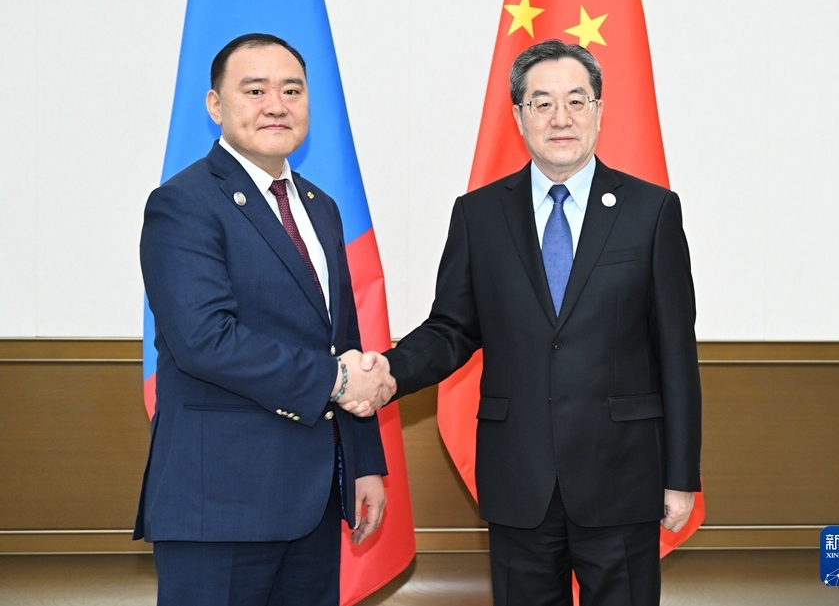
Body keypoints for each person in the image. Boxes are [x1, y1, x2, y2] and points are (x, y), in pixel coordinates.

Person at [382, 39, 702, 606]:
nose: (561, 118)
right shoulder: (478, 214)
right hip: (519, 479)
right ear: (519, 115)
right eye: (543, 103)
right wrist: (387, 373)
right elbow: (451, 328)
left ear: (599, 111)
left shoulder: (652, 211)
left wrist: (680, 476)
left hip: (622, 476)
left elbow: (675, 353)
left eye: (576, 101)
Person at [135, 33, 396, 606]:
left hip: (315, 499)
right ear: (215, 105)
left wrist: (363, 463)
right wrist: (336, 382)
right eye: (255, 90)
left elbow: (343, 344)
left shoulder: (320, 207)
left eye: (291, 90)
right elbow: (205, 340)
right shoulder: (183, 203)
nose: (276, 105)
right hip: (219, 503)